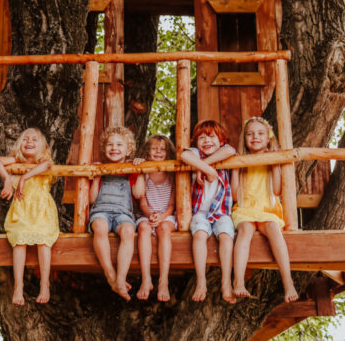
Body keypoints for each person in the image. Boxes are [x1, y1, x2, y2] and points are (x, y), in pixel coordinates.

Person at [231, 117, 298, 303]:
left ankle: (288, 282)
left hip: (267, 208)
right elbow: (235, 196)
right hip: (245, 209)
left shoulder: (271, 159)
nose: (255, 137)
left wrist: (275, 165)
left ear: (268, 138)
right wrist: (235, 168)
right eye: (250, 134)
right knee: (244, 231)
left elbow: (277, 190)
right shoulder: (240, 160)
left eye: (260, 134)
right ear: (244, 138)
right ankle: (238, 281)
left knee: (275, 231)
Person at [0, 128, 59, 305]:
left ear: (43, 147)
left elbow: (46, 166)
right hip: (22, 210)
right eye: (25, 139)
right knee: (19, 242)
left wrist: (23, 178)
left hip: (41, 210)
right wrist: (7, 178)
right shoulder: (16, 161)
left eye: (34, 140)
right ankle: (18, 286)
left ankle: (45, 284)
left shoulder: (42, 159)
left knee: (43, 241)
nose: (29, 142)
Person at [179, 120, 237, 303]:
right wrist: (203, 167)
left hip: (221, 212)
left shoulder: (224, 153)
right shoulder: (196, 154)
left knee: (227, 237)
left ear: (221, 140)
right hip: (200, 212)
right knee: (199, 235)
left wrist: (204, 166)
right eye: (201, 138)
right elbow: (184, 155)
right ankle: (201, 281)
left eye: (212, 137)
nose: (207, 141)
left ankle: (226, 282)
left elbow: (231, 150)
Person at [89, 126, 144, 301]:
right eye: (110, 144)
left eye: (119, 145)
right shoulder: (101, 168)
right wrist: (97, 175)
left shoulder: (130, 169)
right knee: (100, 226)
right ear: (104, 148)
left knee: (128, 231)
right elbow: (91, 199)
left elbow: (138, 194)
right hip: (101, 211)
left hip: (123, 214)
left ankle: (121, 277)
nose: (114, 148)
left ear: (128, 150)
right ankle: (110, 273)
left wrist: (140, 171)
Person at [133, 134, 176, 302]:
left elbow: (172, 205)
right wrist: (150, 215)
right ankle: (146, 279)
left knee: (164, 229)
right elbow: (142, 201)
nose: (158, 152)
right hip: (147, 214)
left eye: (163, 149)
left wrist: (162, 216)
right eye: (154, 149)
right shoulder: (145, 173)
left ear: (168, 153)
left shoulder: (171, 174)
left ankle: (163, 281)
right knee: (143, 228)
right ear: (147, 151)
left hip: (167, 215)